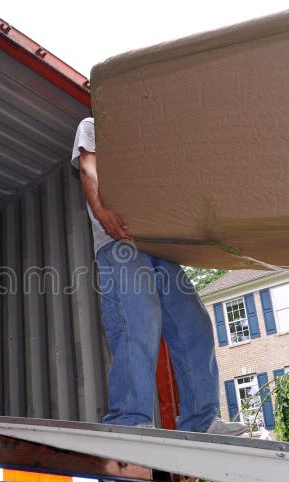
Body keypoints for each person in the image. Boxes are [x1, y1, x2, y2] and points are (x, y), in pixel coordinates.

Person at [71, 116, 246, 435]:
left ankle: (200, 421)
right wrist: (101, 211)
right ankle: (129, 419)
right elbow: (88, 167)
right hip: (119, 242)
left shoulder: (145, 138)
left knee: (194, 322)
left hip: (158, 244)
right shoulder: (94, 124)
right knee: (138, 319)